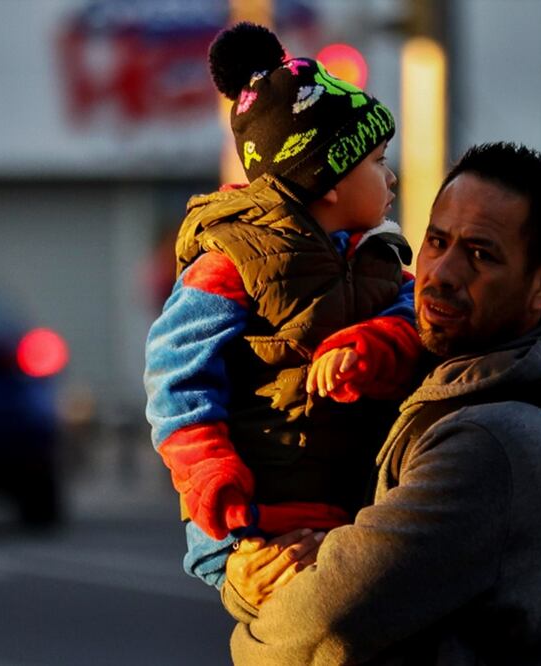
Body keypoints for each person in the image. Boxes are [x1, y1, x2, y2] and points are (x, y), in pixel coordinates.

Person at [222, 142, 541, 665]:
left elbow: (325, 624)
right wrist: (245, 574)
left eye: (481, 255)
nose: (441, 272)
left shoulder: (491, 438)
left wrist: (247, 628)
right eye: (437, 241)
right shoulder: (424, 385)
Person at [143, 23, 421, 588]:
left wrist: (376, 345)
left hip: (342, 503)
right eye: (376, 160)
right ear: (329, 179)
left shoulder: (375, 256)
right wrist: (211, 476)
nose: (390, 176)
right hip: (254, 516)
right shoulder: (230, 260)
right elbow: (175, 373)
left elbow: (415, 315)